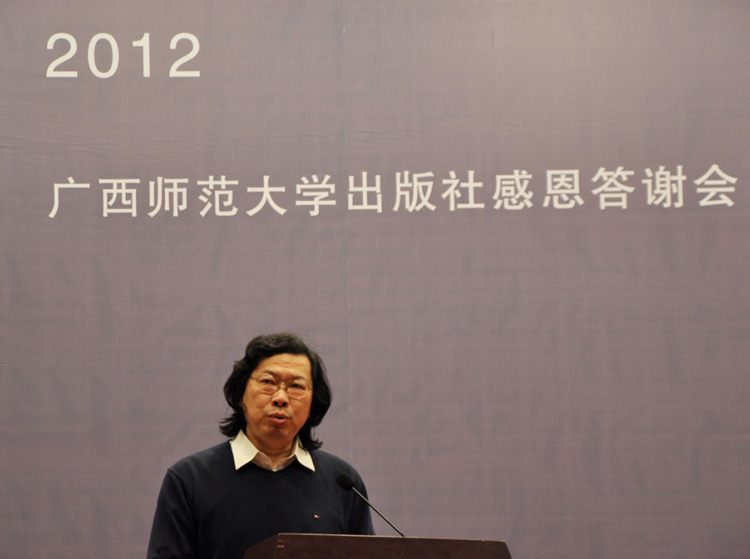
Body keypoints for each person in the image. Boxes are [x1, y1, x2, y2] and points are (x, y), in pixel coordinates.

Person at [147, 332, 374, 559]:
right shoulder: (189, 479)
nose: (281, 397)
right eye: (268, 382)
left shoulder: (342, 483)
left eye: (296, 386)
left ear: (313, 403)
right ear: (240, 395)